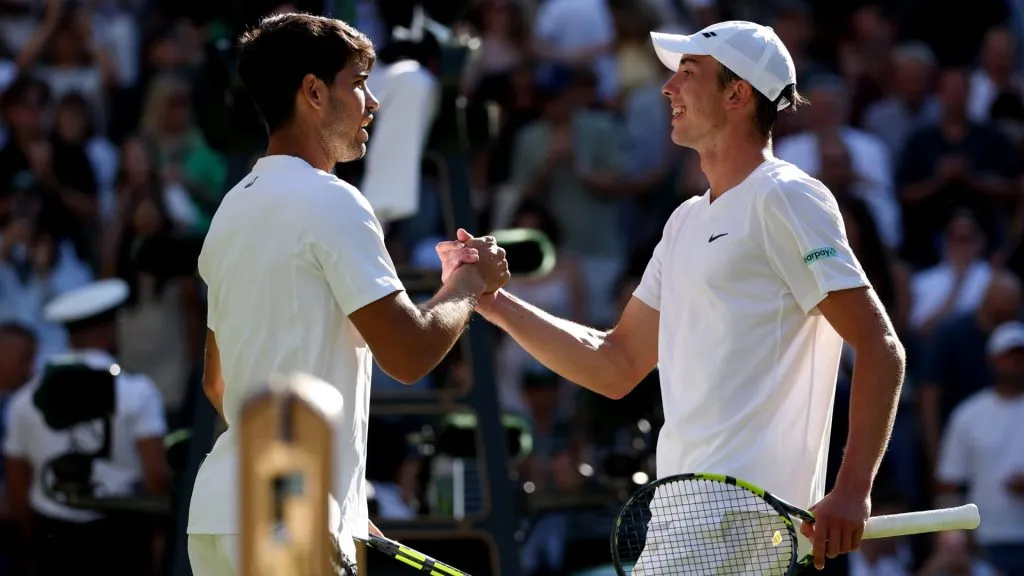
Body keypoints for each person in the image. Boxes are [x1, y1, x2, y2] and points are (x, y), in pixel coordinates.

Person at [447, 20, 906, 572]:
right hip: (678, 520)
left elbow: (880, 347)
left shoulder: (786, 197)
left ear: (737, 94)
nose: (667, 88)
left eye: (689, 74)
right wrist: (492, 301)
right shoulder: (685, 220)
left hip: (745, 525)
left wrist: (853, 490)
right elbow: (615, 364)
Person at [184, 12, 508, 576]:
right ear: (313, 92)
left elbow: (219, 383)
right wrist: (468, 285)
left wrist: (340, 492)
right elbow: (408, 355)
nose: (373, 103)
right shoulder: (334, 200)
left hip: (218, 519)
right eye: (358, 84)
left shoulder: (231, 208)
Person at [2, 278, 170, 576]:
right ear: (109, 332)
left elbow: (17, 486)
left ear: (69, 336)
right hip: (122, 534)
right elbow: (156, 473)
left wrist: (31, 550)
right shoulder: (138, 391)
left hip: (53, 536)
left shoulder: (23, 400)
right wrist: (160, 534)